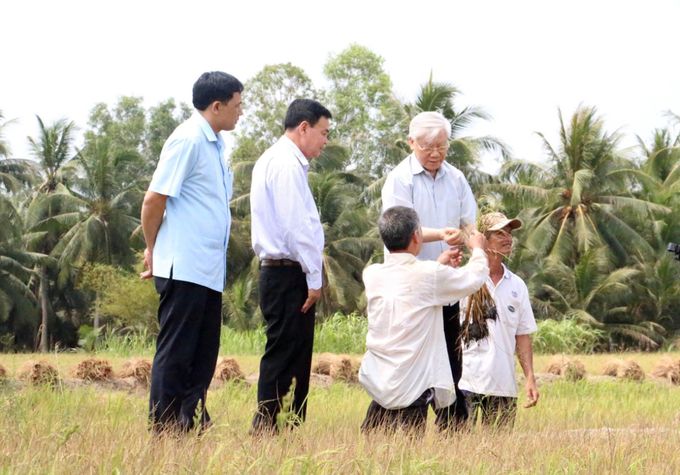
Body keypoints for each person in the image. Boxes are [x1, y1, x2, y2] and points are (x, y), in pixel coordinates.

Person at [140, 71, 243, 433]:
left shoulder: (216, 145)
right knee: (177, 352)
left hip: (207, 269)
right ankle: (165, 426)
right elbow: (154, 200)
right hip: (183, 265)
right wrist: (152, 249)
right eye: (236, 105)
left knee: (203, 354)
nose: (240, 111)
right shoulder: (187, 140)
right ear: (216, 106)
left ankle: (190, 422)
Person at [381, 111, 477, 429]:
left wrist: (464, 240)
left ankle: (454, 428)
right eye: (427, 147)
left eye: (442, 146)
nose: (435, 153)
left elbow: (469, 224)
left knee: (451, 360)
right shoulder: (400, 179)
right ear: (411, 142)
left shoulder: (457, 179)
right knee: (409, 361)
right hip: (411, 288)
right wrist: (443, 235)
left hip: (445, 285)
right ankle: (388, 425)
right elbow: (400, 230)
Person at [359, 206, 488, 433]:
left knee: (372, 445)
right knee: (406, 450)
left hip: (380, 379)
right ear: (416, 237)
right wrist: (478, 249)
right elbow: (473, 278)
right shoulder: (429, 274)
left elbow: (411, 288)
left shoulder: (372, 274)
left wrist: (439, 265)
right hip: (412, 383)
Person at [249, 98, 331, 434]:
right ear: (304, 128)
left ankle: (284, 427)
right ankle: (269, 426)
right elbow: (296, 227)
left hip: (283, 270)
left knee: (293, 351)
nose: (325, 141)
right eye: (323, 133)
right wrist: (314, 277)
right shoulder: (286, 164)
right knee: (285, 351)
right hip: (287, 271)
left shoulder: (279, 160)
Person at [458, 212, 539, 428]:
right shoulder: (464, 279)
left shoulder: (517, 285)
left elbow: (522, 336)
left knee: (499, 446)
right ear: (483, 239)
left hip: (503, 385)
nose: (508, 239)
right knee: (457, 443)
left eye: (509, 233)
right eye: (500, 234)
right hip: (466, 382)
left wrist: (530, 377)